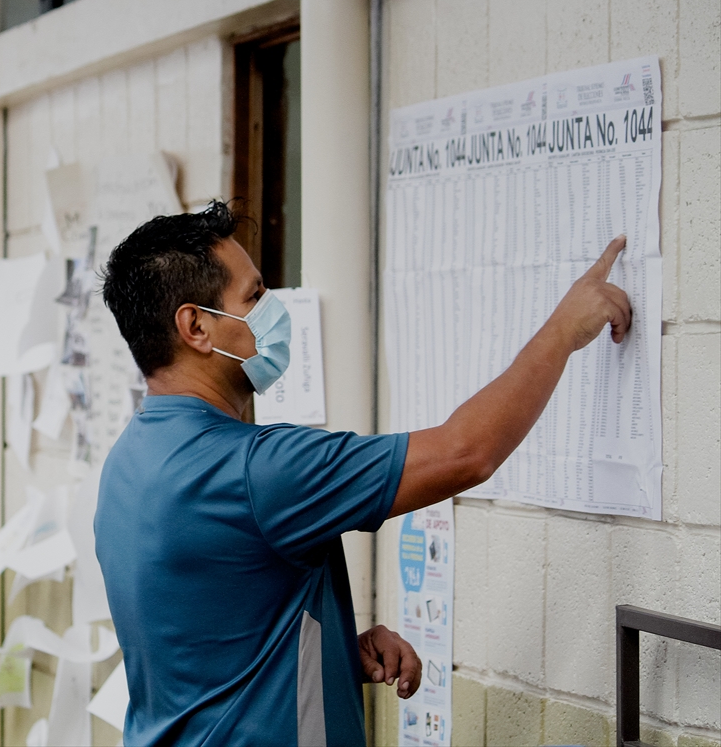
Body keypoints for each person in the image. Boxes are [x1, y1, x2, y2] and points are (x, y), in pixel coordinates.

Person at [95, 201, 630, 746]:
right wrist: (564, 329)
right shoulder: (256, 470)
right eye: (254, 296)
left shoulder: (127, 462)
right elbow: (466, 452)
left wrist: (327, 657)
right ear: (197, 326)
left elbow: (202, 642)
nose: (272, 309)